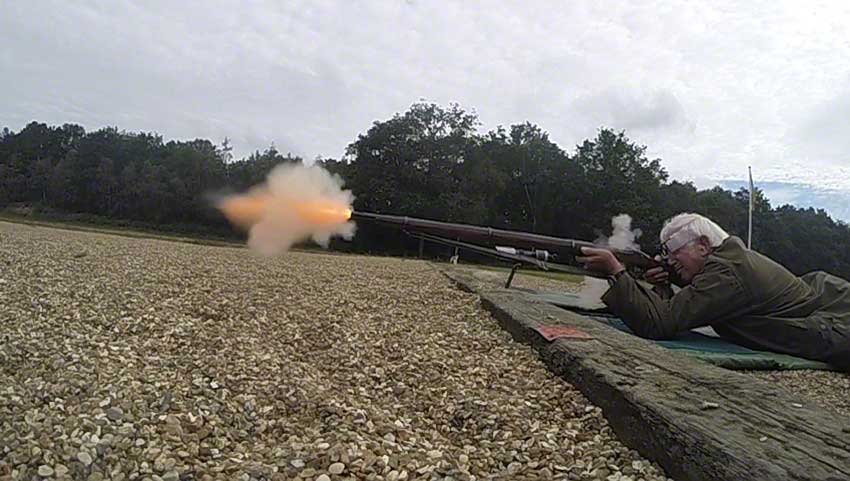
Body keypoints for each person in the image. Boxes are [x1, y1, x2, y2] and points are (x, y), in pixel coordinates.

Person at [576, 212, 850, 370]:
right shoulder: (729, 262)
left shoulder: (726, 272)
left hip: (837, 319)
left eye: (673, 253)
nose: (668, 262)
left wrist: (616, 271)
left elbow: (659, 323)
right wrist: (663, 287)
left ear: (703, 246)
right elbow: (678, 311)